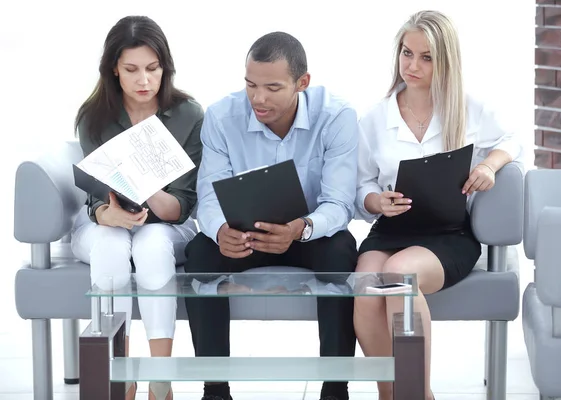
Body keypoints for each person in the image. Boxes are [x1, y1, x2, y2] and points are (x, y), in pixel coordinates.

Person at [353, 10, 522, 400]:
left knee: (397, 276)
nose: (412, 65)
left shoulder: (466, 106)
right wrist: (376, 200)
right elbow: (360, 184)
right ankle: (390, 394)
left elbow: (513, 140)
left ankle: (416, 394)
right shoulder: (375, 117)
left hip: (447, 233)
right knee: (364, 291)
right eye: (406, 53)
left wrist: (489, 165)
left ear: (445, 61)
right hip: (392, 230)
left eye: (426, 57)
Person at [184, 31, 359, 400]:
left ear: (302, 83)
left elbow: (339, 203)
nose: (258, 98)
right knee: (200, 254)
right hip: (244, 236)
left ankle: (335, 387)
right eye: (250, 85)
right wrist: (219, 232)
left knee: (342, 251)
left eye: (272, 87)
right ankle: (215, 389)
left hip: (307, 234)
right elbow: (209, 191)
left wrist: (302, 228)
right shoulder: (220, 116)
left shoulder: (337, 116)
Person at [71, 15, 204, 400]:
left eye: (153, 68)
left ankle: (160, 382)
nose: (144, 81)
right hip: (107, 224)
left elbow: (182, 204)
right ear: (114, 69)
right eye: (131, 70)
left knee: (149, 244)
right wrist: (106, 214)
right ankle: (121, 377)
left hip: (167, 223)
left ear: (166, 68)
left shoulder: (188, 115)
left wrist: (144, 193)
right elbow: (95, 195)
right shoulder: (93, 117)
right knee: (112, 242)